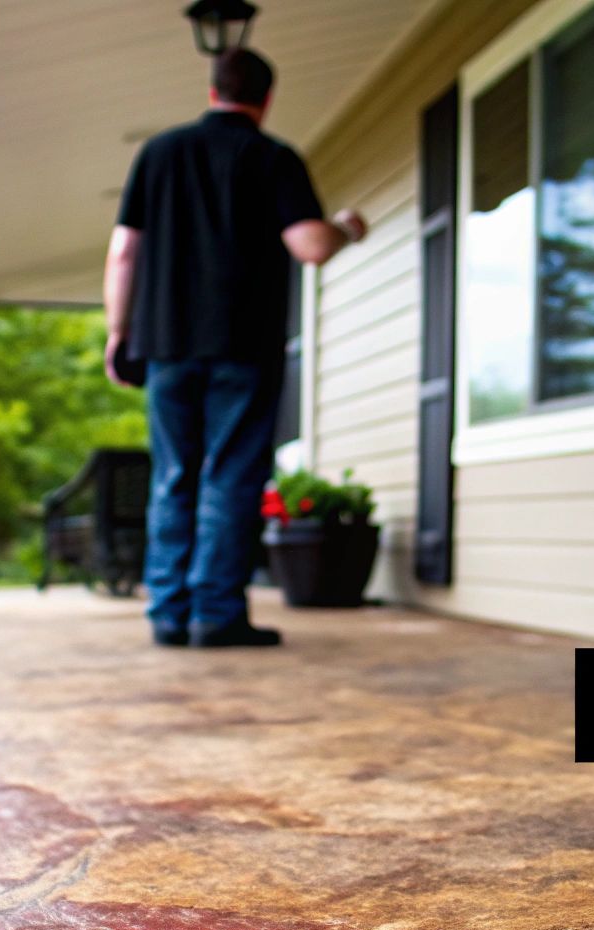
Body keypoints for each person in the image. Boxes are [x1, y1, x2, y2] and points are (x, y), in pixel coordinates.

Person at [103, 47, 367, 648]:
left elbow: (124, 251)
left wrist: (120, 332)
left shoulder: (159, 154)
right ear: (267, 98)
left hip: (166, 343)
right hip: (243, 346)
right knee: (230, 476)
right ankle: (215, 615)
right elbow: (310, 245)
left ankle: (168, 614)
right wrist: (347, 227)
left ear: (212, 88)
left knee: (174, 476)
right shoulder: (272, 158)